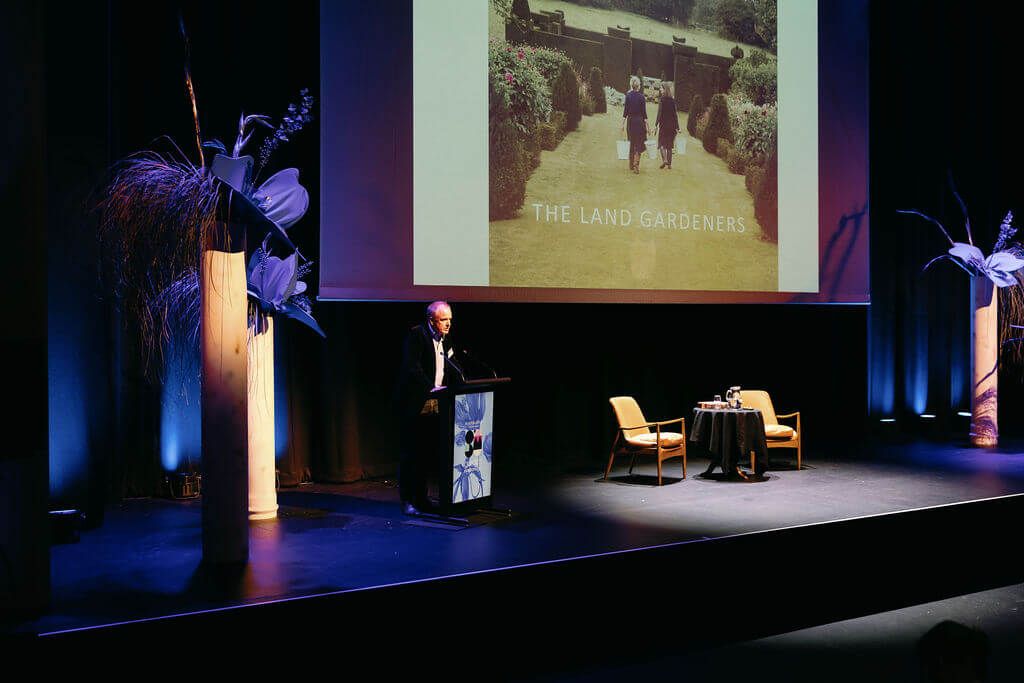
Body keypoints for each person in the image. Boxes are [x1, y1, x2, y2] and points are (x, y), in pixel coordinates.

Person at [394, 301, 456, 515]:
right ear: (431, 320)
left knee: (426, 453)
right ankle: (408, 500)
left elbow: (450, 365)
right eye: (443, 320)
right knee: (411, 453)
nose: (447, 324)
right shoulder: (417, 335)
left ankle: (423, 498)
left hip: (437, 402)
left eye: (449, 320)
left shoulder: (445, 339)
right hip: (415, 403)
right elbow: (412, 367)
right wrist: (431, 388)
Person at [621, 75, 648, 174]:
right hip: (640, 122)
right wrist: (648, 126)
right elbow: (644, 114)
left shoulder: (628, 96)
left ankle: (631, 164)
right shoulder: (641, 97)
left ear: (632, 85)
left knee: (632, 142)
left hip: (631, 122)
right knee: (639, 143)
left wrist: (622, 124)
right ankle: (636, 164)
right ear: (638, 86)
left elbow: (625, 112)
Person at [655, 81, 679, 169]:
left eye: (661, 88)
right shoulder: (672, 101)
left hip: (664, 126)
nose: (660, 89)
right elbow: (675, 115)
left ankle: (664, 160)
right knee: (669, 145)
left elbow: (659, 113)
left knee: (661, 143)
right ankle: (669, 165)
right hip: (672, 126)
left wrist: (656, 124)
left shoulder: (662, 100)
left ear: (665, 89)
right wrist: (678, 127)